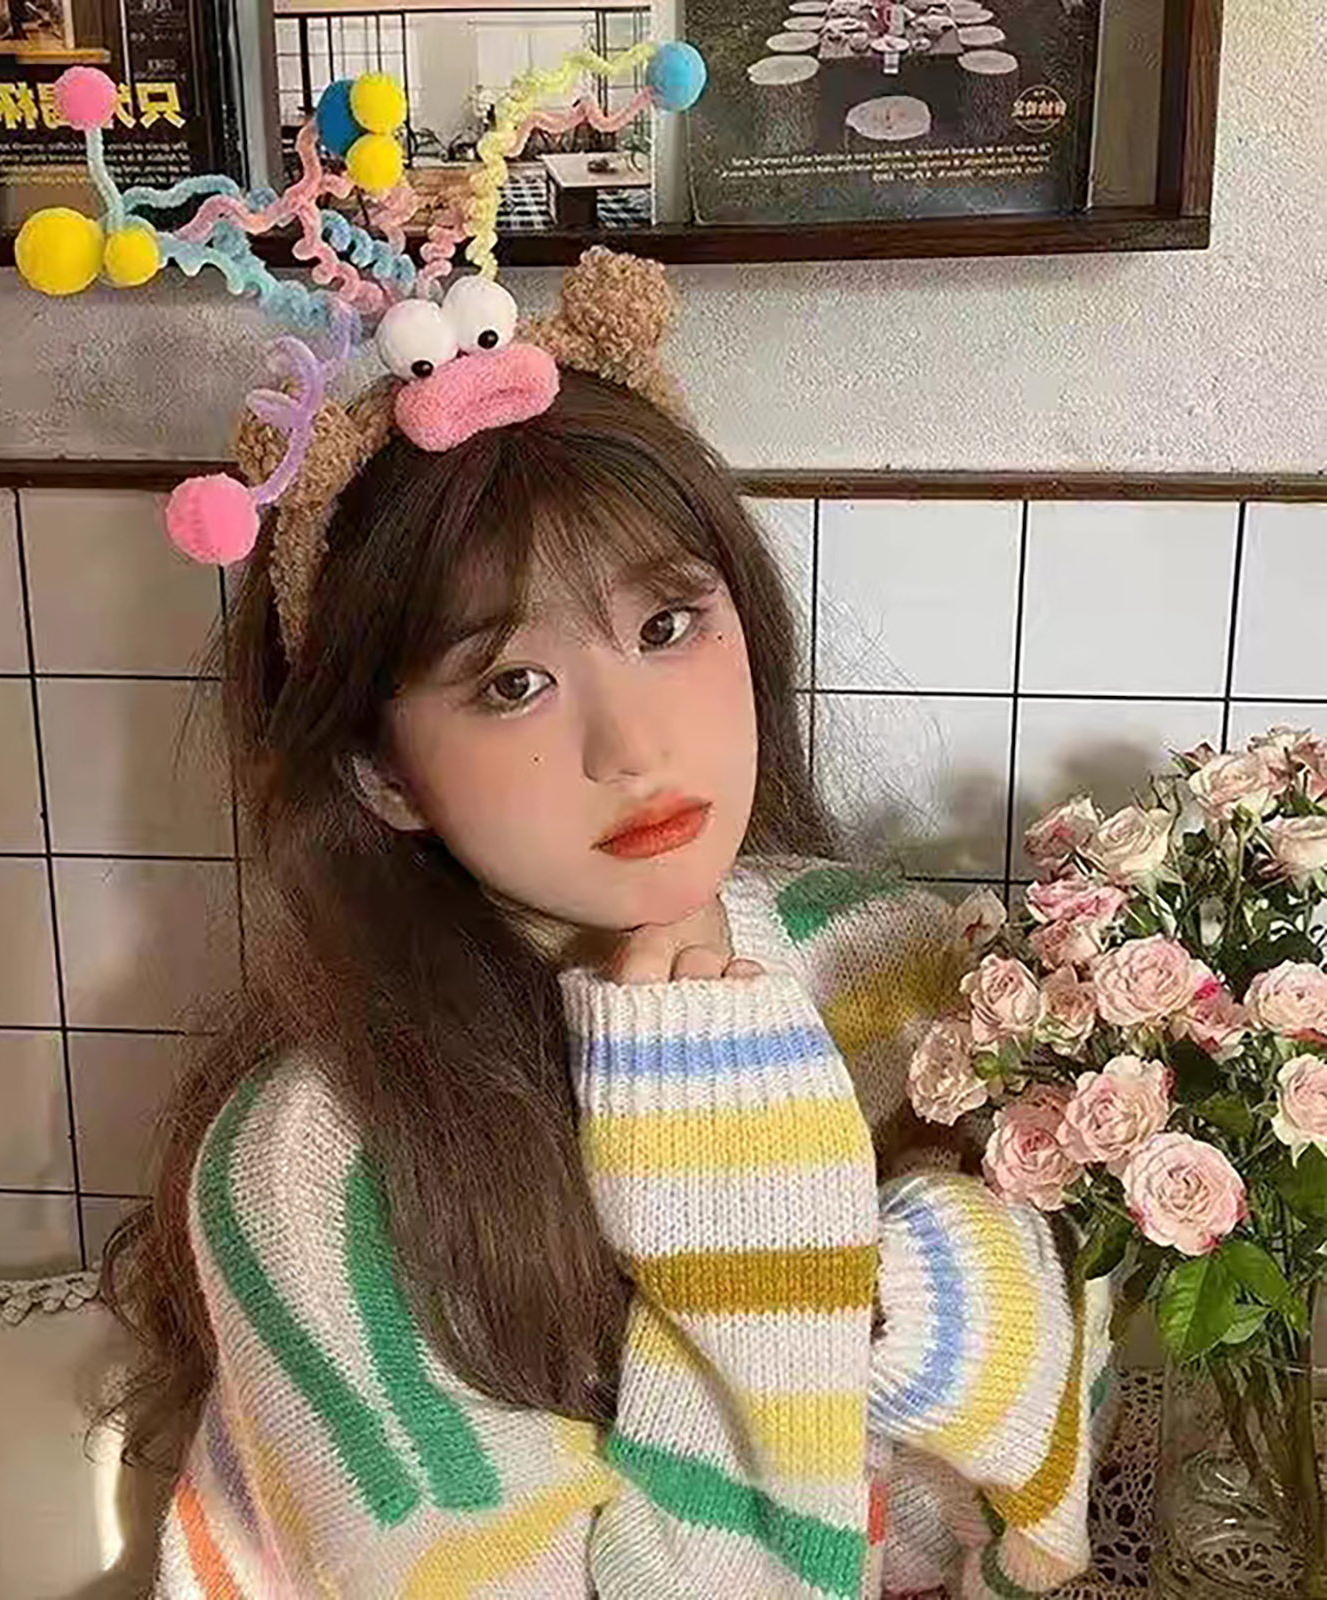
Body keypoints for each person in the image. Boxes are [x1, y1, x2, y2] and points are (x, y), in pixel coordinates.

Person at [103, 249, 1113, 1599]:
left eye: (668, 623)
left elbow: (1034, 1507)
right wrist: (748, 1230)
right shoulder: (314, 1162)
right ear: (383, 774)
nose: (633, 747)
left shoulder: (890, 960)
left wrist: (900, 1296)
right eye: (511, 683)